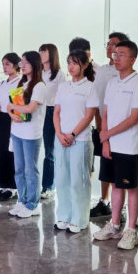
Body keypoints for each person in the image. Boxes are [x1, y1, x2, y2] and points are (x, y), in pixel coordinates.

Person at [93, 41, 138, 250]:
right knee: (115, 185)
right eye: (115, 54)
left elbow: (134, 118)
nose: (116, 58)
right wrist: (106, 141)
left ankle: (131, 231)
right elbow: (106, 113)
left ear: (133, 59)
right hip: (111, 144)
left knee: (130, 186)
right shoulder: (112, 83)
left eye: (121, 54)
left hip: (129, 146)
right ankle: (115, 226)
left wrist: (107, 134)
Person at [53, 50, 99, 233]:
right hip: (61, 139)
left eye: (75, 63)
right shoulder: (63, 86)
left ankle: (80, 220)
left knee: (79, 181)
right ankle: (64, 216)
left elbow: (89, 116)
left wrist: (72, 134)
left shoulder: (90, 87)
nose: (70, 66)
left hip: (80, 140)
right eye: (69, 62)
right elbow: (56, 112)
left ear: (85, 65)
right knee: (62, 179)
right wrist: (59, 134)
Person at [91, 32, 130, 218]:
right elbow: (96, 97)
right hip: (100, 124)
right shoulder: (100, 70)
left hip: (118, 128)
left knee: (119, 168)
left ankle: (120, 207)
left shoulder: (124, 73)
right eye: (108, 44)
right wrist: (98, 120)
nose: (109, 47)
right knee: (104, 164)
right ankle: (104, 201)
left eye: (113, 44)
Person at [7, 51, 47, 218]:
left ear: (35, 64)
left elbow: (30, 108)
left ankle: (33, 204)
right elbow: (10, 107)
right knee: (19, 170)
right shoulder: (22, 83)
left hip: (31, 134)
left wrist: (12, 108)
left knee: (31, 170)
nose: (22, 65)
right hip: (17, 131)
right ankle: (22, 201)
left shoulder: (39, 86)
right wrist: (11, 111)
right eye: (21, 62)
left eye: (26, 62)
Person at [0, 53, 21, 201]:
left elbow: (19, 104)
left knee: (11, 153)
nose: (5, 67)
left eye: (7, 64)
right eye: (3, 64)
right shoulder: (2, 83)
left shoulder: (20, 82)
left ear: (16, 65)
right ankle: (2, 187)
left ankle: (12, 188)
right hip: (1, 119)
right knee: (0, 152)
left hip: (13, 120)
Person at [39, 44, 67, 200]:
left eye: (44, 51)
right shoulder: (38, 73)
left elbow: (64, 98)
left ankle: (49, 186)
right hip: (37, 111)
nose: (41, 53)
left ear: (52, 54)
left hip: (52, 112)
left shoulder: (59, 75)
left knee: (50, 152)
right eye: (40, 51)